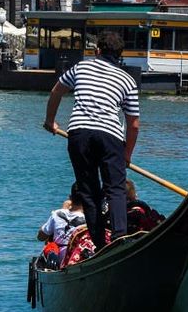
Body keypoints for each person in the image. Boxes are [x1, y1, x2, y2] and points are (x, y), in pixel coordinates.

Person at [43, 30, 140, 251]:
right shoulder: (127, 80)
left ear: (97, 51)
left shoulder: (82, 67)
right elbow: (133, 124)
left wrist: (50, 121)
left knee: (89, 191)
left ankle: (99, 244)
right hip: (110, 136)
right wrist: (127, 154)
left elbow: (56, 92)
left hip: (79, 134)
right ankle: (119, 239)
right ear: (119, 56)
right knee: (115, 188)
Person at [37, 192, 88, 269]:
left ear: (70, 198)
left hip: (57, 260)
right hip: (76, 261)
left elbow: (40, 237)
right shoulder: (89, 220)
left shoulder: (57, 214)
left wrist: (63, 209)